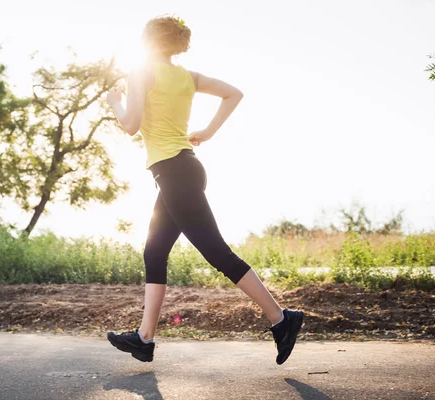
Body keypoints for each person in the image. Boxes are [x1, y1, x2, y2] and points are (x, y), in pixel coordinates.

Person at [105, 15, 304, 365]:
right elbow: (233, 93)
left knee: (216, 252)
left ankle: (281, 318)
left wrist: (115, 102)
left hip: (175, 173)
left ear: (149, 42)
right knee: (154, 252)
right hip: (182, 170)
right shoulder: (187, 77)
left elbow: (131, 125)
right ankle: (144, 339)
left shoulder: (140, 73)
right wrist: (209, 131)